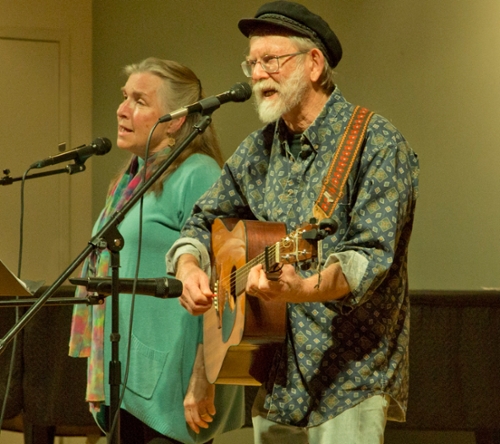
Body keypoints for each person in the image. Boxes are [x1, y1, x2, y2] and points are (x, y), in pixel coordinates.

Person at [166, 2, 420, 444]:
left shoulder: (376, 143)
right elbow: (201, 220)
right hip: (276, 380)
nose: (258, 74)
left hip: (349, 379)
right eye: (252, 63)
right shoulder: (260, 149)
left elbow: (368, 259)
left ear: (314, 64)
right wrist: (188, 267)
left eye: (271, 60)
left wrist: (300, 288)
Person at [69, 57, 244, 444]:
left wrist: (204, 375)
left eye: (139, 101)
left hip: (172, 382)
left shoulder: (197, 173)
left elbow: (226, 284)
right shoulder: (133, 177)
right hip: (127, 375)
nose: (122, 109)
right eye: (124, 97)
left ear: (176, 120)